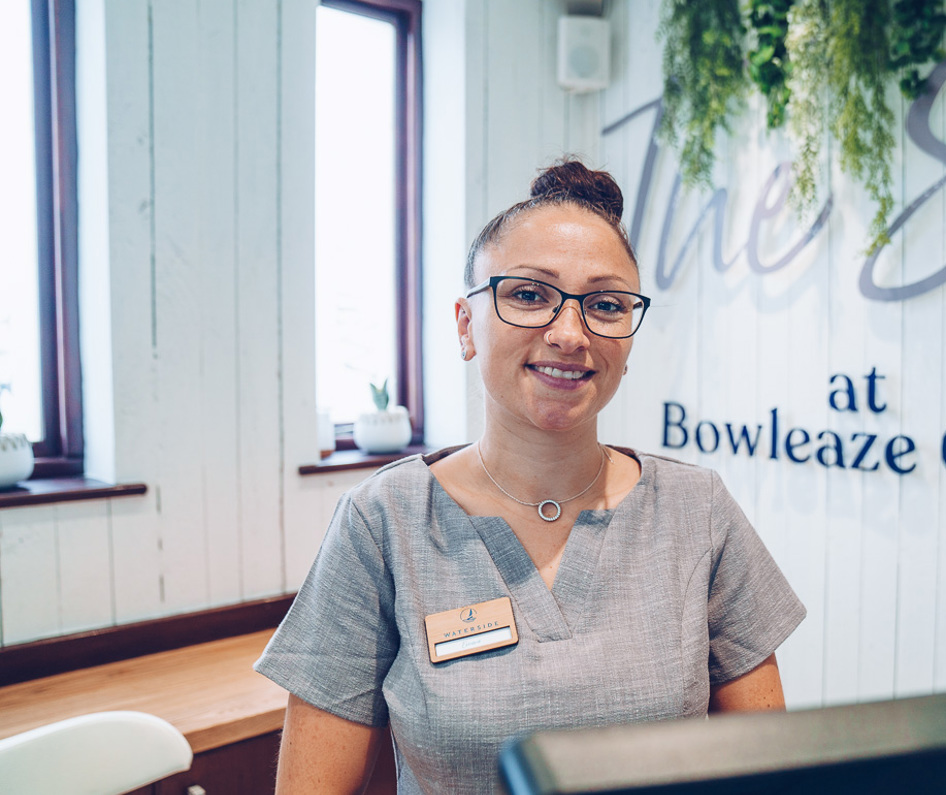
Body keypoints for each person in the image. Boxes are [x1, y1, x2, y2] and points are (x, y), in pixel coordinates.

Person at [255, 159, 805, 794]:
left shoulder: (696, 510)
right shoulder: (384, 522)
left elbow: (768, 774)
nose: (570, 334)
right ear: (466, 325)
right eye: (529, 295)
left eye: (604, 304)